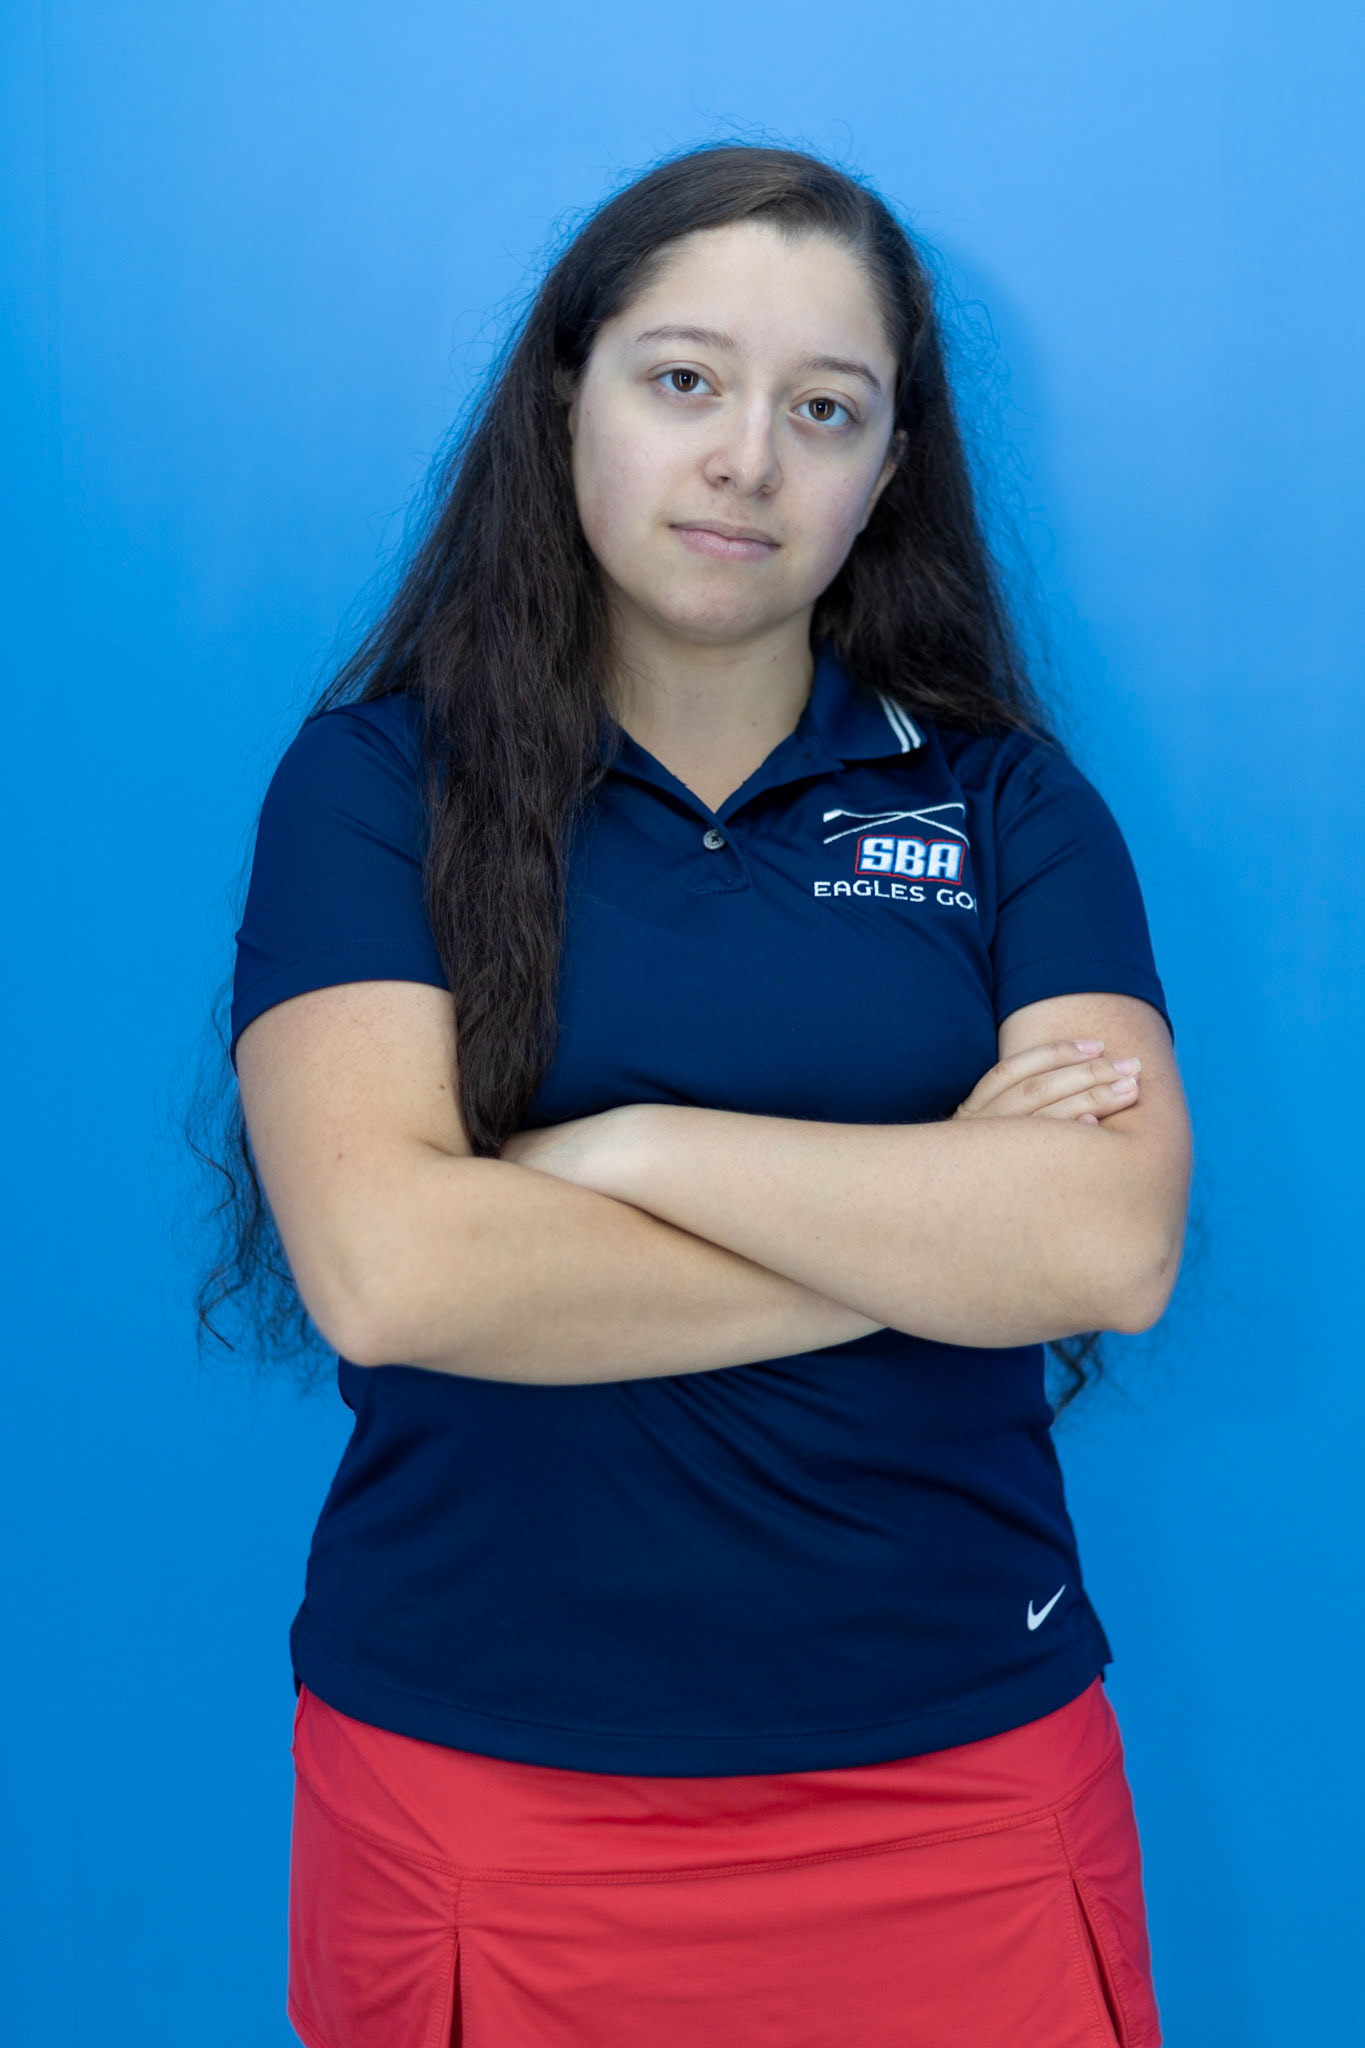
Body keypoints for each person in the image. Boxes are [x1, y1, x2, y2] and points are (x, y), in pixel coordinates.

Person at [218, 142, 1190, 2048]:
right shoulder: (370, 792)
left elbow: (1104, 1241)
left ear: (884, 470)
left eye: (824, 411)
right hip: (482, 1793)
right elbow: (399, 1275)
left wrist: (635, 1154)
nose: (748, 457)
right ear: (563, 393)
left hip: (961, 1794)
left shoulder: (1009, 808)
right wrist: (929, 1232)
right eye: (683, 381)